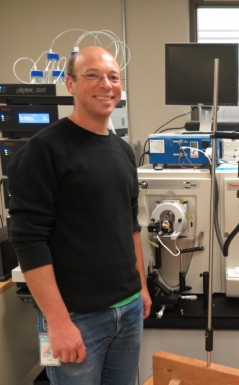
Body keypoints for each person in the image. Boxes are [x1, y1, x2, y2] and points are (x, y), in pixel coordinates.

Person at [7, 46, 151, 385]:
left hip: (128, 310)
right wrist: (57, 322)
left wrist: (140, 286)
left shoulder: (122, 151)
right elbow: (29, 241)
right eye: (93, 76)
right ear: (70, 84)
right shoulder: (43, 151)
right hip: (77, 318)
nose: (106, 84)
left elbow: (129, 224)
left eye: (113, 77)